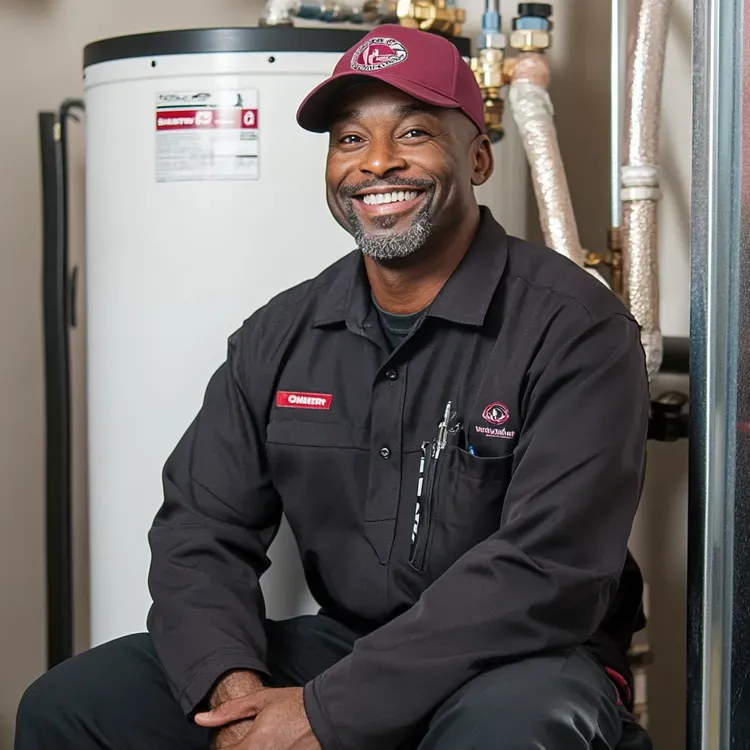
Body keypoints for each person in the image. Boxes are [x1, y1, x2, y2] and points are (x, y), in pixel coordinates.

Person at [15, 23, 651, 750]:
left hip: (524, 660)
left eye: (413, 133)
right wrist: (237, 693)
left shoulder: (574, 328)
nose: (376, 163)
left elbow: (545, 571)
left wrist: (326, 713)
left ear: (476, 158)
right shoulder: (282, 334)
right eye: (349, 140)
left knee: (507, 732)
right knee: (71, 705)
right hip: (347, 643)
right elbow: (200, 530)